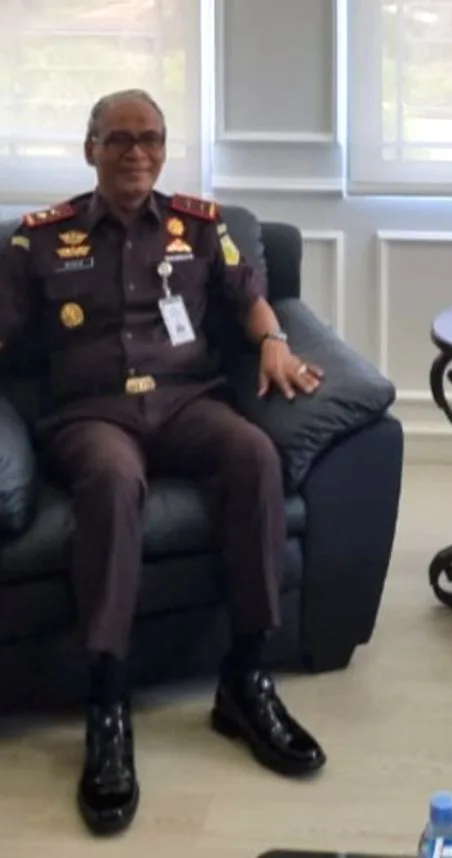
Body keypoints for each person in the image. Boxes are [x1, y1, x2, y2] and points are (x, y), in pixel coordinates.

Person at [0, 89, 329, 836]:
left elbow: (252, 298)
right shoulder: (39, 240)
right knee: (114, 480)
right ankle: (107, 702)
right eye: (119, 139)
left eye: (149, 138)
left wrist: (274, 342)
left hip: (186, 403)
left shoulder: (201, 227)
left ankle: (245, 678)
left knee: (253, 453)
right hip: (91, 414)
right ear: (90, 149)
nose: (136, 153)